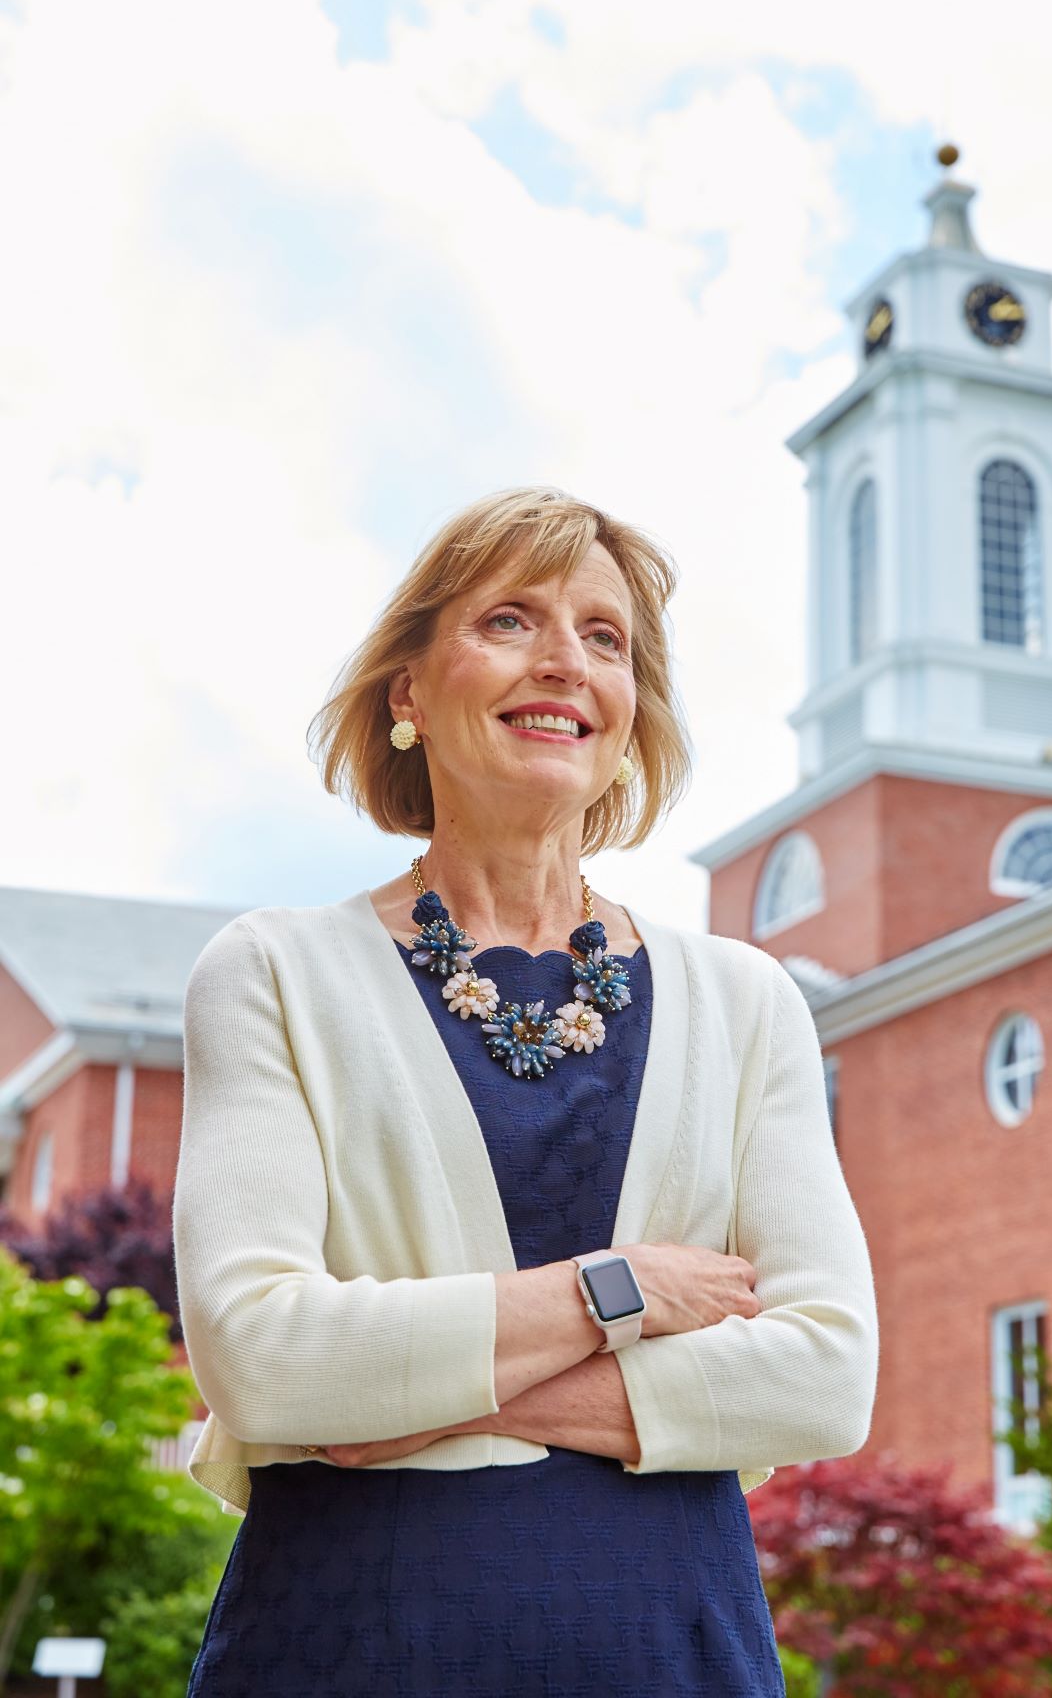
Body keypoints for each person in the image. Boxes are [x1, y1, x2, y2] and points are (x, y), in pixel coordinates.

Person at [175, 483, 879, 1696]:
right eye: (511, 620)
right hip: (345, 1648)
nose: (566, 662)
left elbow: (826, 1376)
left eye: (605, 639)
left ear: (629, 712)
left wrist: (419, 1396)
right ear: (408, 693)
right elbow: (265, 1364)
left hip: (673, 1652)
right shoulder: (274, 972)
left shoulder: (745, 999)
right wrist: (628, 1291)